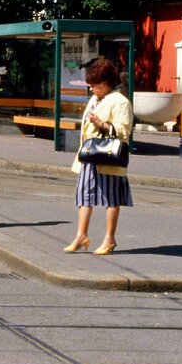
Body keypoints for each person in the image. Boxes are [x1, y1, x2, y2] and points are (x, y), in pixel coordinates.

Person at [65, 57, 133, 256]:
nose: (91, 90)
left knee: (111, 198)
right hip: (89, 157)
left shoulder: (120, 102)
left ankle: (109, 239)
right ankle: (81, 236)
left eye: (93, 85)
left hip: (108, 157)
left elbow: (123, 131)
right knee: (84, 196)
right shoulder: (96, 99)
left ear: (105, 84)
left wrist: (101, 123)